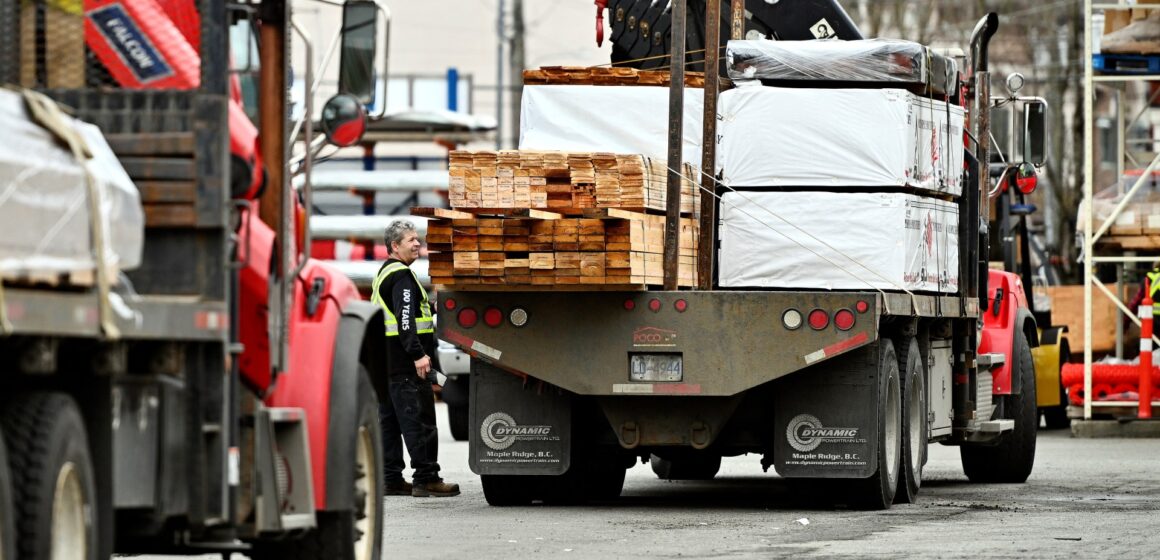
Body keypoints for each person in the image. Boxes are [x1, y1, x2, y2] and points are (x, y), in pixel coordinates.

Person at [371, 219, 460, 498]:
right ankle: (427, 478)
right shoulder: (402, 276)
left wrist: (431, 306)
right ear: (395, 246)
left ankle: (391, 479)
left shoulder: (384, 273)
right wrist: (419, 355)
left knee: (390, 422)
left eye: (417, 239)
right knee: (419, 420)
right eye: (411, 240)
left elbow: (404, 310)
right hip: (406, 364)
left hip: (385, 364)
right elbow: (405, 320)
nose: (417, 243)